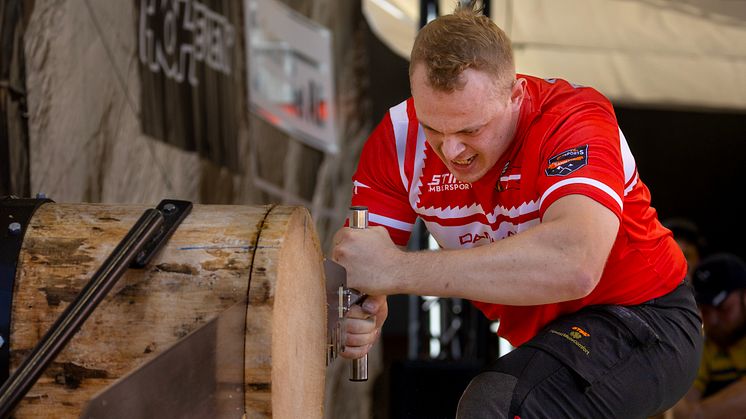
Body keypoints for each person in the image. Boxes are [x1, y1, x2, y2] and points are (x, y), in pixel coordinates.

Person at [332, 2, 703, 417]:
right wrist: (358, 309)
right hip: (549, 337)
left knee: (498, 403)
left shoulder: (572, 119)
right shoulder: (397, 141)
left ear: (516, 95)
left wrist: (396, 272)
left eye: (471, 129)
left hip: (646, 319)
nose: (452, 151)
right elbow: (361, 263)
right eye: (433, 128)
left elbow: (573, 264)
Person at [673, 253, 746, 418]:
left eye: (723, 308)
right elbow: (680, 405)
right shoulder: (704, 345)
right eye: (705, 310)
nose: (712, 320)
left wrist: (697, 413)